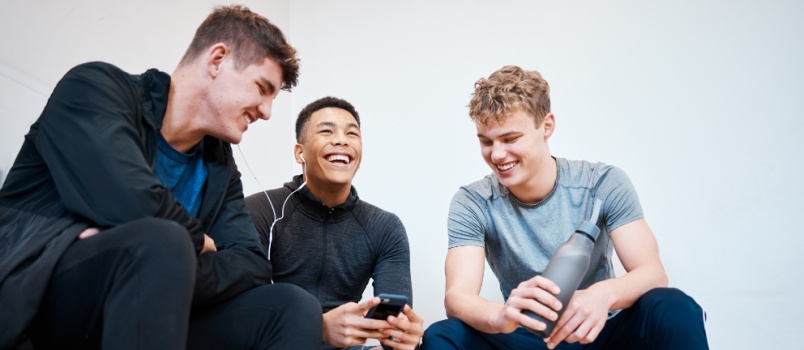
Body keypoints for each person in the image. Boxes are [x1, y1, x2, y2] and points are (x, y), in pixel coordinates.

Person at [0, 5, 323, 350]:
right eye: (262, 88)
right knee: (162, 241)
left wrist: (173, 262)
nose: (267, 112)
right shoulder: (94, 89)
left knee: (293, 307)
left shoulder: (219, 166)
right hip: (40, 297)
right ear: (217, 60)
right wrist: (190, 243)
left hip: (151, 308)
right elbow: (128, 197)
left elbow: (253, 264)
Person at [421, 65, 709, 350]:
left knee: (673, 306)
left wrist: (601, 295)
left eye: (510, 139)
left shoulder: (602, 183)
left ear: (547, 126)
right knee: (443, 335)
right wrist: (501, 316)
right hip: (525, 338)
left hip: (599, 330)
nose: (496, 154)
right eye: (486, 142)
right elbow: (458, 297)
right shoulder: (472, 202)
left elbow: (652, 273)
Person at [245, 96, 424, 350]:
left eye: (352, 134)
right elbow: (244, 315)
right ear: (299, 153)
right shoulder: (260, 211)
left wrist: (404, 338)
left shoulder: (385, 227)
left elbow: (395, 328)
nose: (342, 140)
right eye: (327, 131)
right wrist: (317, 326)